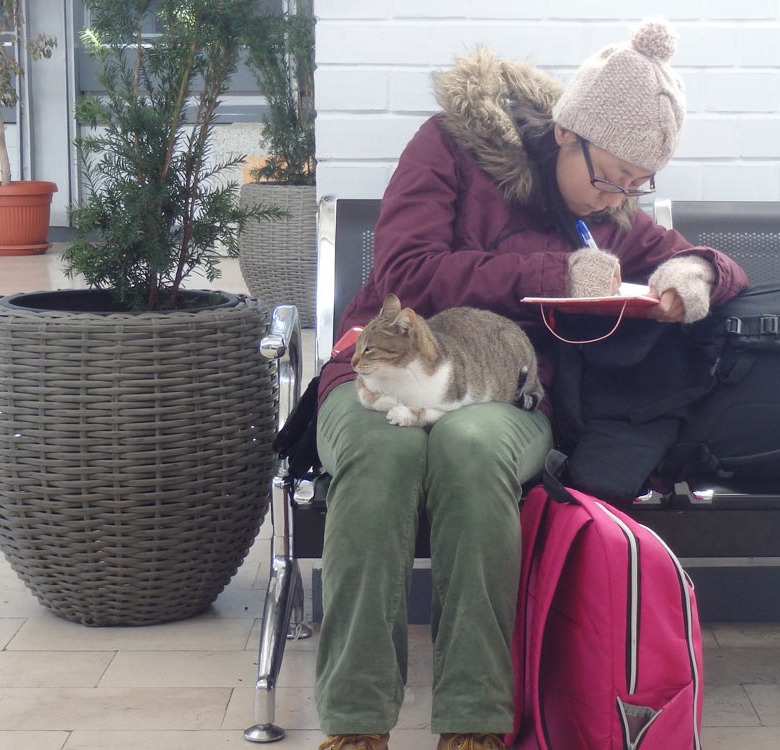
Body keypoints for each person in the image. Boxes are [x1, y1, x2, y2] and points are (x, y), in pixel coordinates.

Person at [314, 18, 748, 750]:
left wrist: (692, 272)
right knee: (383, 459)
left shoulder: (609, 210)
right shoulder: (451, 146)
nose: (615, 196)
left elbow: (709, 261)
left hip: (503, 398)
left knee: (473, 448)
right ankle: (356, 724)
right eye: (607, 174)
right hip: (382, 376)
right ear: (567, 133)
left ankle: (475, 722)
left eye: (637, 184)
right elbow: (405, 273)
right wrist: (551, 274)